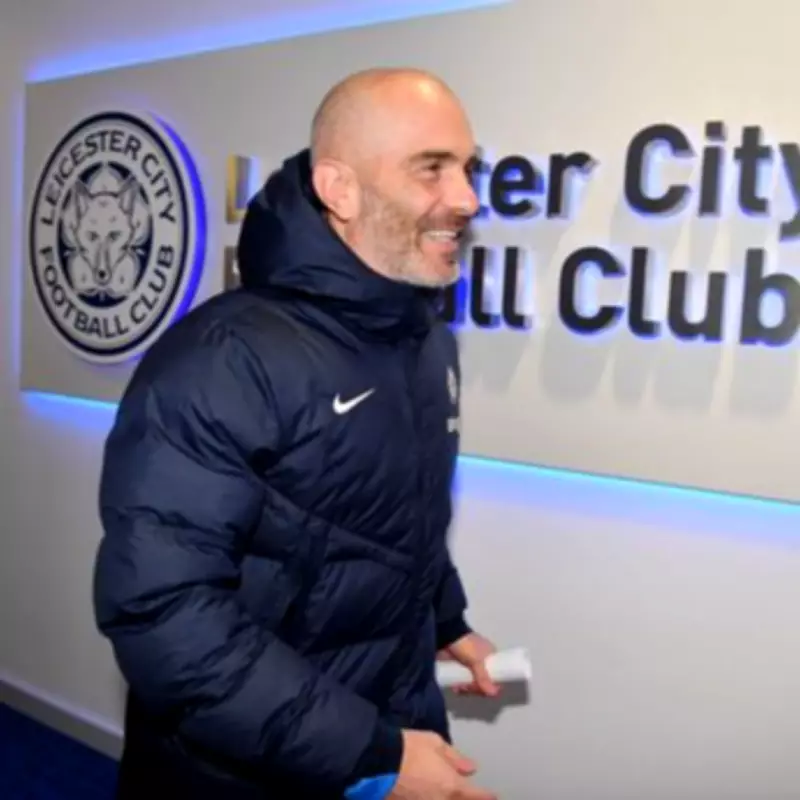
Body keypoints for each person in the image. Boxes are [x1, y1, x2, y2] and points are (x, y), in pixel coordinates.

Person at [93, 66, 500, 800]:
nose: (468, 199)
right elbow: (162, 615)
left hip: (385, 725)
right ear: (339, 188)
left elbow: (385, 518)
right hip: (240, 768)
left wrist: (446, 620)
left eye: (468, 169)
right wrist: (370, 754)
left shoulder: (423, 337)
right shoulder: (224, 358)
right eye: (432, 168)